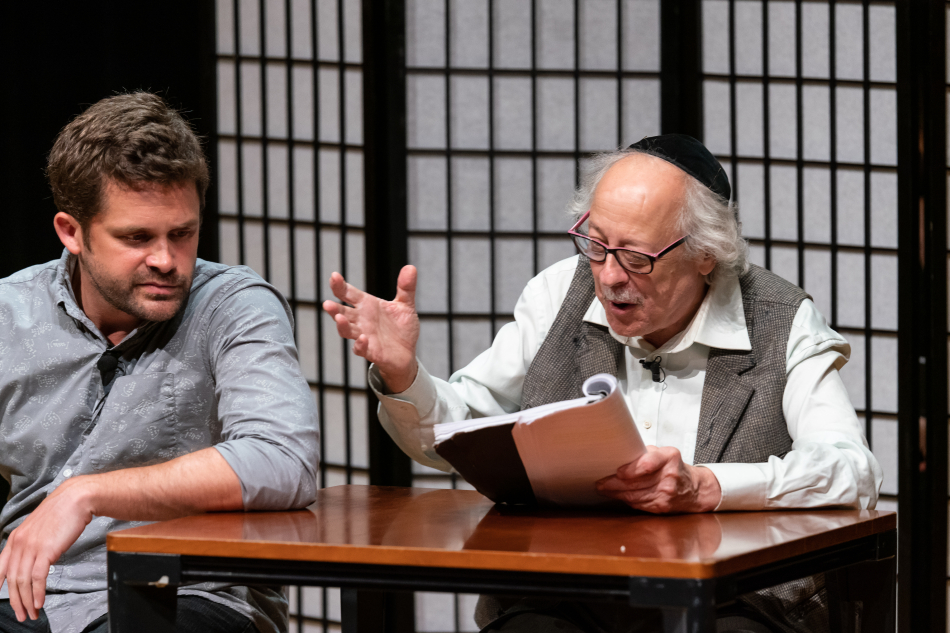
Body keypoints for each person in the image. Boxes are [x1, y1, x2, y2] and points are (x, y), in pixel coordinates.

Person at [323, 134, 882, 633]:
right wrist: (404, 374)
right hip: (571, 593)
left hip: (734, 599)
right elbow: (458, 429)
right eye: (596, 244)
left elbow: (852, 471)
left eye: (637, 257)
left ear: (706, 254)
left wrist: (708, 486)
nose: (610, 276)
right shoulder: (558, 295)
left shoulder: (781, 319)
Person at [0, 92, 319, 633]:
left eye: (182, 234)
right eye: (137, 237)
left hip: (190, 590)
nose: (167, 260)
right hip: (27, 593)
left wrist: (88, 493)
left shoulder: (233, 306)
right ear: (72, 232)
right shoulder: (11, 314)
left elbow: (283, 459)